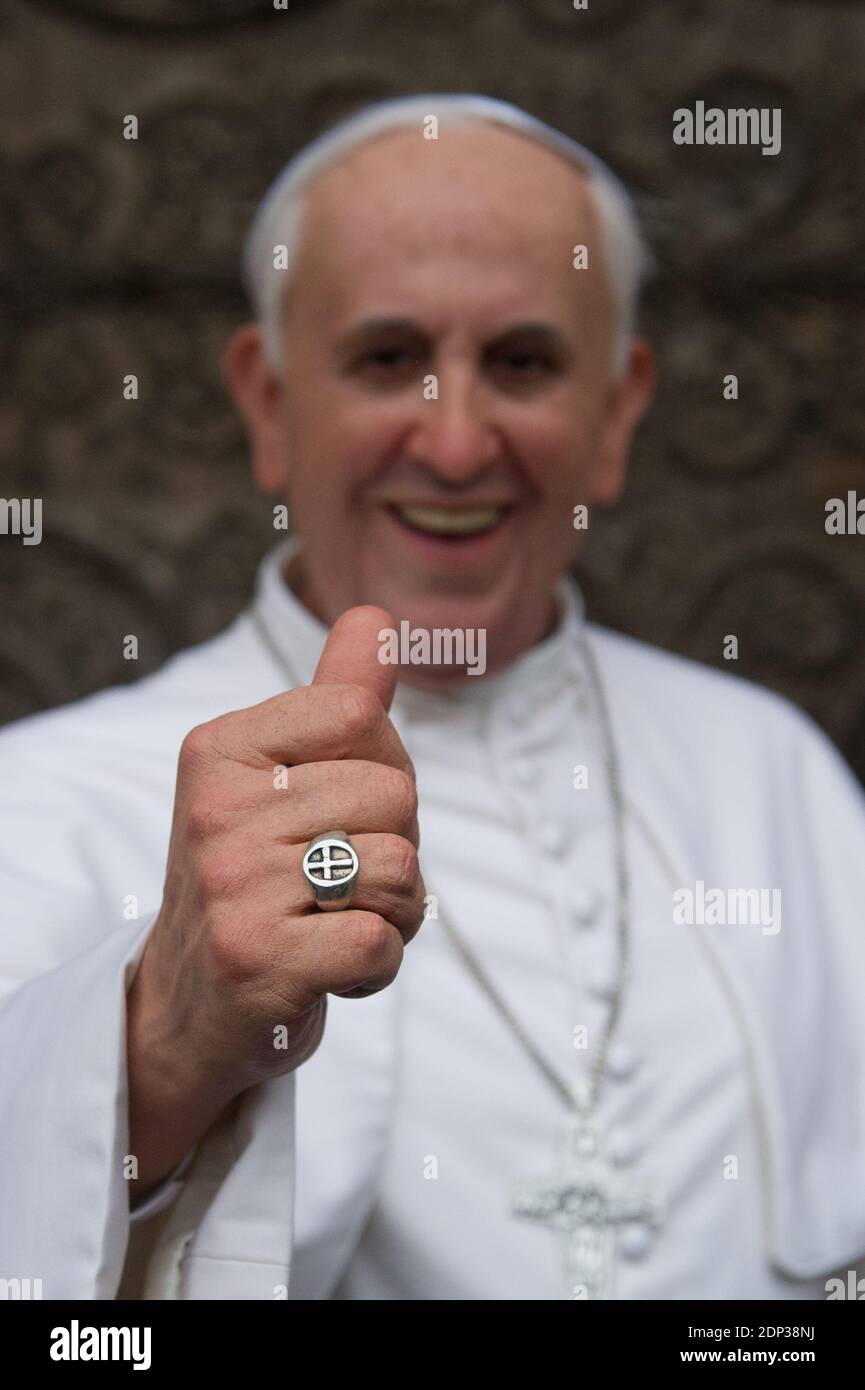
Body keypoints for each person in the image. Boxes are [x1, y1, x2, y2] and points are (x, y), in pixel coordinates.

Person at [1, 94, 863, 1302]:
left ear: (614, 413)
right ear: (266, 402)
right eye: (387, 358)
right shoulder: (39, 803)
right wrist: (158, 1049)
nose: (454, 445)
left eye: (521, 362)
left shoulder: (769, 770)